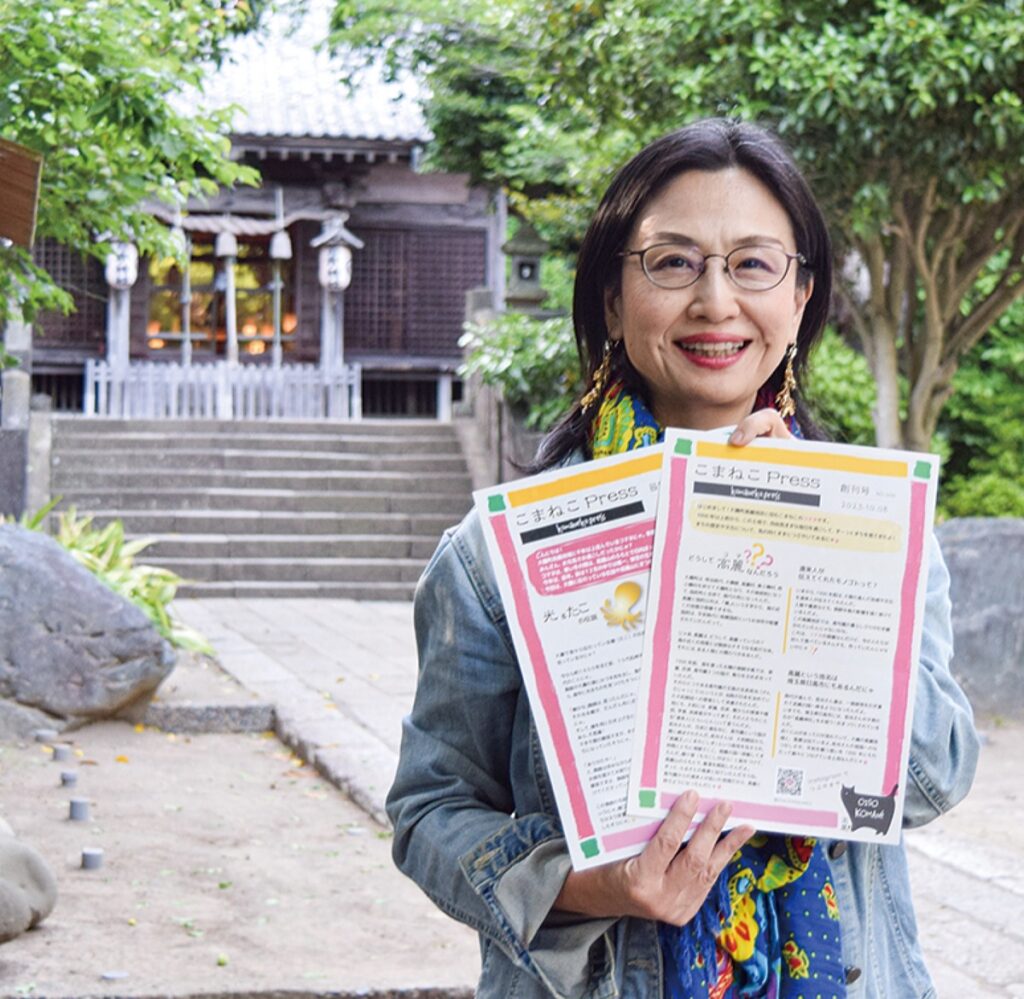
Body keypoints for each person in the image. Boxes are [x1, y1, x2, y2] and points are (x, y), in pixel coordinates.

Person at [386, 118, 980, 999]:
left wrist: (803, 560)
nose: (714, 301)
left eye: (753, 263)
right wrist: (588, 886)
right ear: (613, 298)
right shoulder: (495, 555)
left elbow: (931, 774)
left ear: (802, 294)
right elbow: (429, 809)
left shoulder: (872, 524)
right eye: (672, 262)